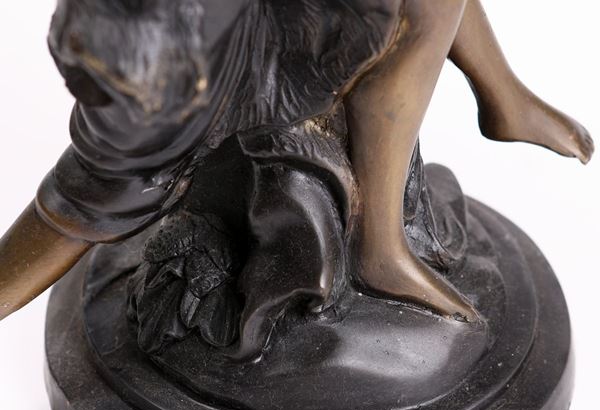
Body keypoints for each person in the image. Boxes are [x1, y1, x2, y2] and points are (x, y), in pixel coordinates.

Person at [0, 0, 593, 323]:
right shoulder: (142, 83)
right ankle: (381, 246)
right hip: (251, 57)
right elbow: (79, 202)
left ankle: (502, 98)